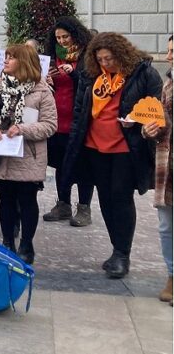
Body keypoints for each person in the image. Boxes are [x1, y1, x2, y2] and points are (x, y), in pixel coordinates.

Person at [61, 32, 163, 279]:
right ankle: (115, 249)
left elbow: (158, 109)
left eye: (109, 59)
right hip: (94, 146)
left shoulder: (144, 73)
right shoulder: (92, 76)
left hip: (126, 148)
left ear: (121, 54)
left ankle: (122, 253)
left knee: (121, 197)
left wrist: (138, 122)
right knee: (105, 198)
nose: (105, 64)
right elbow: (80, 111)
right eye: (101, 59)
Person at [0, 45, 58, 264]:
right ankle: (7, 242)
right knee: (5, 199)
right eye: (6, 57)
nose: (5, 61)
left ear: (24, 62)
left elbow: (50, 125)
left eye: (11, 58)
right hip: (2, 154)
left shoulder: (41, 91)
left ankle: (26, 243)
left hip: (28, 155)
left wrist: (22, 129)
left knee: (27, 200)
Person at [42, 16, 96, 226]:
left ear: (76, 34)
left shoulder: (86, 55)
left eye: (66, 36)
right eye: (58, 38)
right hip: (57, 118)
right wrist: (46, 79)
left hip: (80, 119)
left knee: (82, 164)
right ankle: (63, 204)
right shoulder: (53, 56)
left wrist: (74, 74)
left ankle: (84, 208)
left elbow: (91, 83)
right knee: (60, 164)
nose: (62, 41)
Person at [142, 35, 172, 302]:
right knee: (165, 227)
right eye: (169, 51)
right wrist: (149, 128)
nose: (169, 57)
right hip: (166, 165)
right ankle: (171, 276)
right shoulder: (167, 86)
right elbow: (158, 120)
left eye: (173, 52)